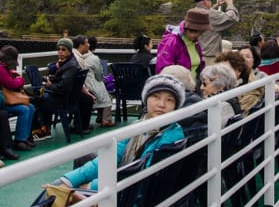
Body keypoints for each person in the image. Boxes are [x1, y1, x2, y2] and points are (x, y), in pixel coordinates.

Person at [57, 75, 186, 191]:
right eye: (156, 97)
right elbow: (113, 155)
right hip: (126, 189)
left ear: (175, 106)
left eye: (169, 100)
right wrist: (69, 180)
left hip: (130, 200)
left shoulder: (171, 137)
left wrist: (91, 187)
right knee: (65, 181)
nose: (161, 104)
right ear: (146, 100)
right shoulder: (139, 126)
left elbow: (138, 175)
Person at [37, 38, 95, 137]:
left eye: (63, 49)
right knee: (41, 97)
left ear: (69, 50)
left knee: (37, 101)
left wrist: (50, 85)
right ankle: (45, 129)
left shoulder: (71, 66)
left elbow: (64, 87)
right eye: (58, 49)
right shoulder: (68, 62)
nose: (60, 52)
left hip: (62, 100)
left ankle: (43, 130)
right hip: (70, 98)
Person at [0, 45, 36, 151]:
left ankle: (23, 137)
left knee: (30, 107)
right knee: (24, 109)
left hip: (2, 100)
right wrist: (20, 79)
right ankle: (19, 140)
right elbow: (12, 85)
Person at [73, 35, 115, 128]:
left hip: (80, 86)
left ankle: (100, 117)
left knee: (100, 90)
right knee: (106, 96)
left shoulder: (75, 56)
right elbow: (99, 76)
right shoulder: (94, 58)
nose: (88, 44)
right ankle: (106, 119)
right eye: (86, 43)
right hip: (88, 86)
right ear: (81, 45)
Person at [154, 8, 210, 77]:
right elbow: (163, 70)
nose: (201, 34)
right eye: (200, 32)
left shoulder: (195, 42)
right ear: (191, 30)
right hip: (177, 85)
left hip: (193, 84)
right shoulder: (172, 41)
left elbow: (200, 65)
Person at [193, 0, 240, 66]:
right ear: (205, 2)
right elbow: (231, 18)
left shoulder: (193, 12)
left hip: (196, 54)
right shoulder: (211, 15)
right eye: (210, 0)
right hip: (209, 57)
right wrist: (230, 4)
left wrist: (217, 5)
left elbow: (209, 14)